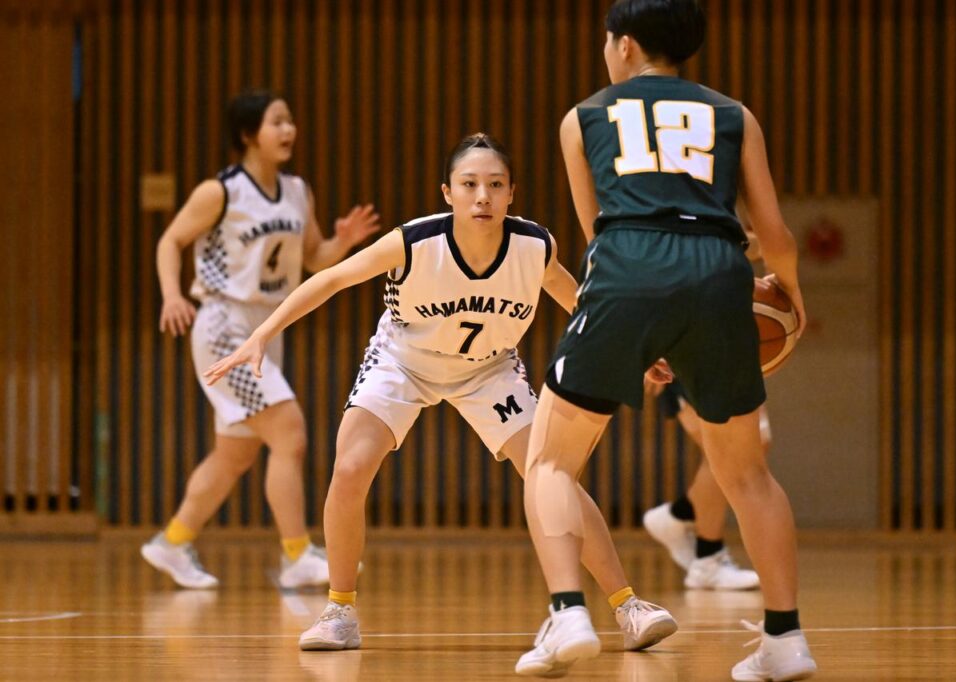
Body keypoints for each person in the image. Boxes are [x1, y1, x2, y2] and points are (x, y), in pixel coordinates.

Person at [203, 133, 678, 667]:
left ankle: (628, 606)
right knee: (351, 466)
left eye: (495, 185)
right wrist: (262, 333)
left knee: (550, 474)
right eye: (469, 184)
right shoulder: (413, 242)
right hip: (403, 362)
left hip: (489, 370)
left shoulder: (534, 247)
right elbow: (333, 278)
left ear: (512, 193)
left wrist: (635, 350)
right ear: (447, 192)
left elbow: (580, 302)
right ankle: (339, 610)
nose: (483, 196)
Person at [517, 1, 818, 680]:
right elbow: (774, 236)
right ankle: (785, 641)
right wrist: (793, 295)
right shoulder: (735, 115)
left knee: (551, 463)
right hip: (718, 271)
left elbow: (597, 234)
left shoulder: (583, 117)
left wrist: (640, 331)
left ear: (624, 45)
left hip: (628, 265)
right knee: (748, 474)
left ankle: (569, 613)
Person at [142, 90, 381, 590]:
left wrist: (342, 241)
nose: (288, 129)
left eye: (290, 120)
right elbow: (170, 240)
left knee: (236, 454)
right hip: (224, 326)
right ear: (249, 134)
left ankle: (172, 542)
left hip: (267, 328)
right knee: (290, 434)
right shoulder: (220, 191)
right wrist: (171, 294)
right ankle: (297, 553)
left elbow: (314, 258)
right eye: (277, 121)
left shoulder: (297, 191)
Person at [643, 228, 766, 592]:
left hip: (725, 335)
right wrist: (649, 342)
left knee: (748, 446)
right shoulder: (662, 211)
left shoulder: (717, 209)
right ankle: (707, 558)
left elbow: (757, 243)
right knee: (731, 448)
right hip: (683, 339)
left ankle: (680, 515)